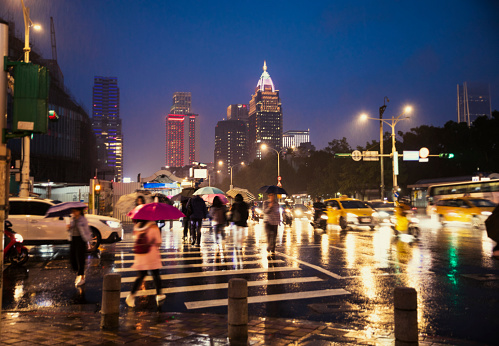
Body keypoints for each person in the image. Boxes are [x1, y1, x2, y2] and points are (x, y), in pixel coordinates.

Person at [126, 219, 165, 307]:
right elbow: (158, 242)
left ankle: (131, 296)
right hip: (152, 255)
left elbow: (135, 239)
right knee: (156, 275)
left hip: (140, 256)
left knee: (141, 276)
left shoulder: (137, 227)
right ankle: (159, 295)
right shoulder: (154, 227)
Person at [67, 207, 92, 287]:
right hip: (73, 240)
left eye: (75, 211)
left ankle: (82, 278)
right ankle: (79, 273)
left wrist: (88, 242)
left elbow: (87, 231)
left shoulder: (83, 219)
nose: (73, 212)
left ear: (79, 211)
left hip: (81, 240)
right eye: (73, 211)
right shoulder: (73, 219)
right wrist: (69, 228)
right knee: (73, 258)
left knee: (80, 259)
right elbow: (71, 229)